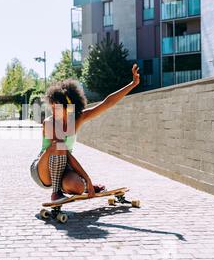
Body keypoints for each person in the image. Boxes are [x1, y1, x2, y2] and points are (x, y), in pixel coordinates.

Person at [30, 64, 141, 203]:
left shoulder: (76, 119)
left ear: (69, 107)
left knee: (78, 187)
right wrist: (88, 178)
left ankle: (72, 186)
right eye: (52, 105)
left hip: (64, 167)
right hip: (42, 171)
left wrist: (132, 84)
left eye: (57, 106)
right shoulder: (49, 122)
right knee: (59, 146)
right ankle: (55, 192)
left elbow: (107, 103)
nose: (53, 109)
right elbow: (63, 151)